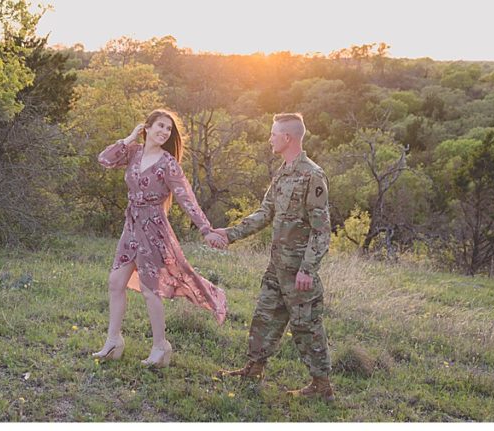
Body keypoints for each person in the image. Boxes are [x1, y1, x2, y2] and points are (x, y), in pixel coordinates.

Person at [213, 113, 335, 401]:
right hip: (277, 267)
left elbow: (322, 231)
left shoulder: (312, 175)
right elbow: (265, 212)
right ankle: (254, 368)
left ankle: (322, 387)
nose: (269, 138)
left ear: (287, 138)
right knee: (264, 318)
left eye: (273, 134)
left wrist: (307, 269)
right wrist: (229, 234)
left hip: (298, 273)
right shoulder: (282, 172)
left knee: (306, 327)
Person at [91, 109, 228, 367]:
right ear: (148, 127)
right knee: (115, 282)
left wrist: (206, 229)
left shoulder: (168, 164)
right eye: (161, 126)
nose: (164, 132)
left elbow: (187, 198)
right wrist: (130, 137)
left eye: (168, 129)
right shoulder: (134, 153)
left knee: (149, 289)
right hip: (131, 226)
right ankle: (113, 341)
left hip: (154, 230)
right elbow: (104, 159)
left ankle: (160, 347)